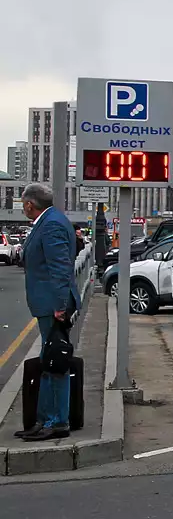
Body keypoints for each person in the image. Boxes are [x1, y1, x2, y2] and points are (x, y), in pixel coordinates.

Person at [16, 184, 81, 442]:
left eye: (23, 204)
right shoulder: (51, 220)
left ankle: (58, 422)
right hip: (51, 304)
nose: (23, 208)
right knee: (48, 362)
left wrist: (59, 307)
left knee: (56, 363)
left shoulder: (51, 224)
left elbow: (60, 268)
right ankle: (43, 419)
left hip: (54, 306)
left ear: (30, 204)